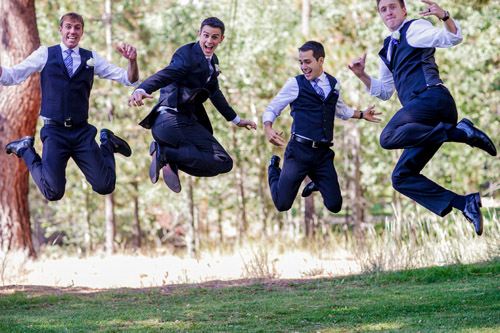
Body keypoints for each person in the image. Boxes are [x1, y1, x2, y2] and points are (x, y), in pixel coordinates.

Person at [306, 0, 496, 235]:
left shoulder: (415, 29)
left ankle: (460, 132)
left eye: (392, 7)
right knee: (401, 177)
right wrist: (362, 75)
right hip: (423, 122)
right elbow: (385, 91)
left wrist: (445, 17)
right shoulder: (387, 48)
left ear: (403, 10)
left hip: (433, 100)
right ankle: (464, 203)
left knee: (388, 137)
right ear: (380, 15)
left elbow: (453, 39)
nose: (388, 12)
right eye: (383, 9)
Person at [2, 12, 139, 201]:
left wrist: (132, 61)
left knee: (105, 185)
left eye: (77, 27)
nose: (72, 31)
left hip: (82, 132)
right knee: (53, 192)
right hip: (55, 132)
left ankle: (108, 142)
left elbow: (129, 79)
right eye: (68, 26)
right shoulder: (45, 54)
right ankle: (25, 148)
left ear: (82, 32)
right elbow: (11, 76)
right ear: (61, 30)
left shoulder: (91, 58)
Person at [128, 17, 256, 193]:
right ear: (199, 34)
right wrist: (141, 89)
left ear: (221, 39)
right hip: (170, 121)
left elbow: (215, 92)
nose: (209, 41)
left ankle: (169, 157)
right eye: (206, 35)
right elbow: (167, 74)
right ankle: (165, 153)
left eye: (215, 37)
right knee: (223, 161)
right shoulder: (186, 55)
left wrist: (237, 120)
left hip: (180, 122)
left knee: (216, 166)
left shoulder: (212, 60)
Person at [264, 41, 381, 213]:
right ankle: (274, 168)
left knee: (334, 205)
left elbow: (340, 110)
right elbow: (273, 107)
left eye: (307, 62)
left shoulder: (333, 83)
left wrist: (362, 114)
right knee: (282, 204)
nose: (303, 67)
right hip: (299, 152)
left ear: (320, 60)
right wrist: (268, 126)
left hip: (322, 154)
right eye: (301, 62)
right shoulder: (294, 84)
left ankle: (316, 182)